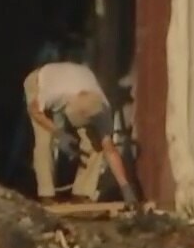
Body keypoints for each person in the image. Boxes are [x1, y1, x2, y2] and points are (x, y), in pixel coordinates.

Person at [23, 61, 137, 206]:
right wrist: (60, 134)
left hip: (73, 85)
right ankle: (46, 195)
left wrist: (125, 187)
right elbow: (34, 111)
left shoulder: (103, 110)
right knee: (45, 138)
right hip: (39, 81)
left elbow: (110, 150)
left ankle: (81, 193)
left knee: (96, 144)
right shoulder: (55, 93)